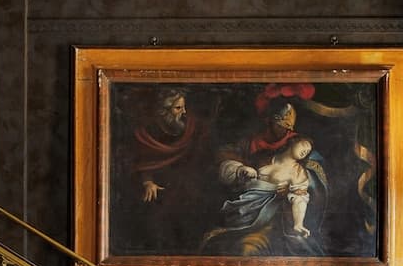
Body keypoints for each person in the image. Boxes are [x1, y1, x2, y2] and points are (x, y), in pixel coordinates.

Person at [201, 125, 327, 257]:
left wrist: (298, 224)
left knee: (248, 249)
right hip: (244, 206)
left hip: (267, 217)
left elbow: (299, 199)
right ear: (293, 141)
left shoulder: (298, 172)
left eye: (308, 151)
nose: (305, 151)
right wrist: (241, 170)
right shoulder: (264, 156)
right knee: (220, 242)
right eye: (304, 146)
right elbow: (238, 173)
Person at [121, 87, 209, 254]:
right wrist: (147, 182)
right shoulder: (148, 132)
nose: (184, 112)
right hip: (158, 184)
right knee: (154, 215)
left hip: (186, 182)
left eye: (184, 107)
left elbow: (199, 159)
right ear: (163, 111)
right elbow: (141, 161)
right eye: (178, 108)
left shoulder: (191, 127)